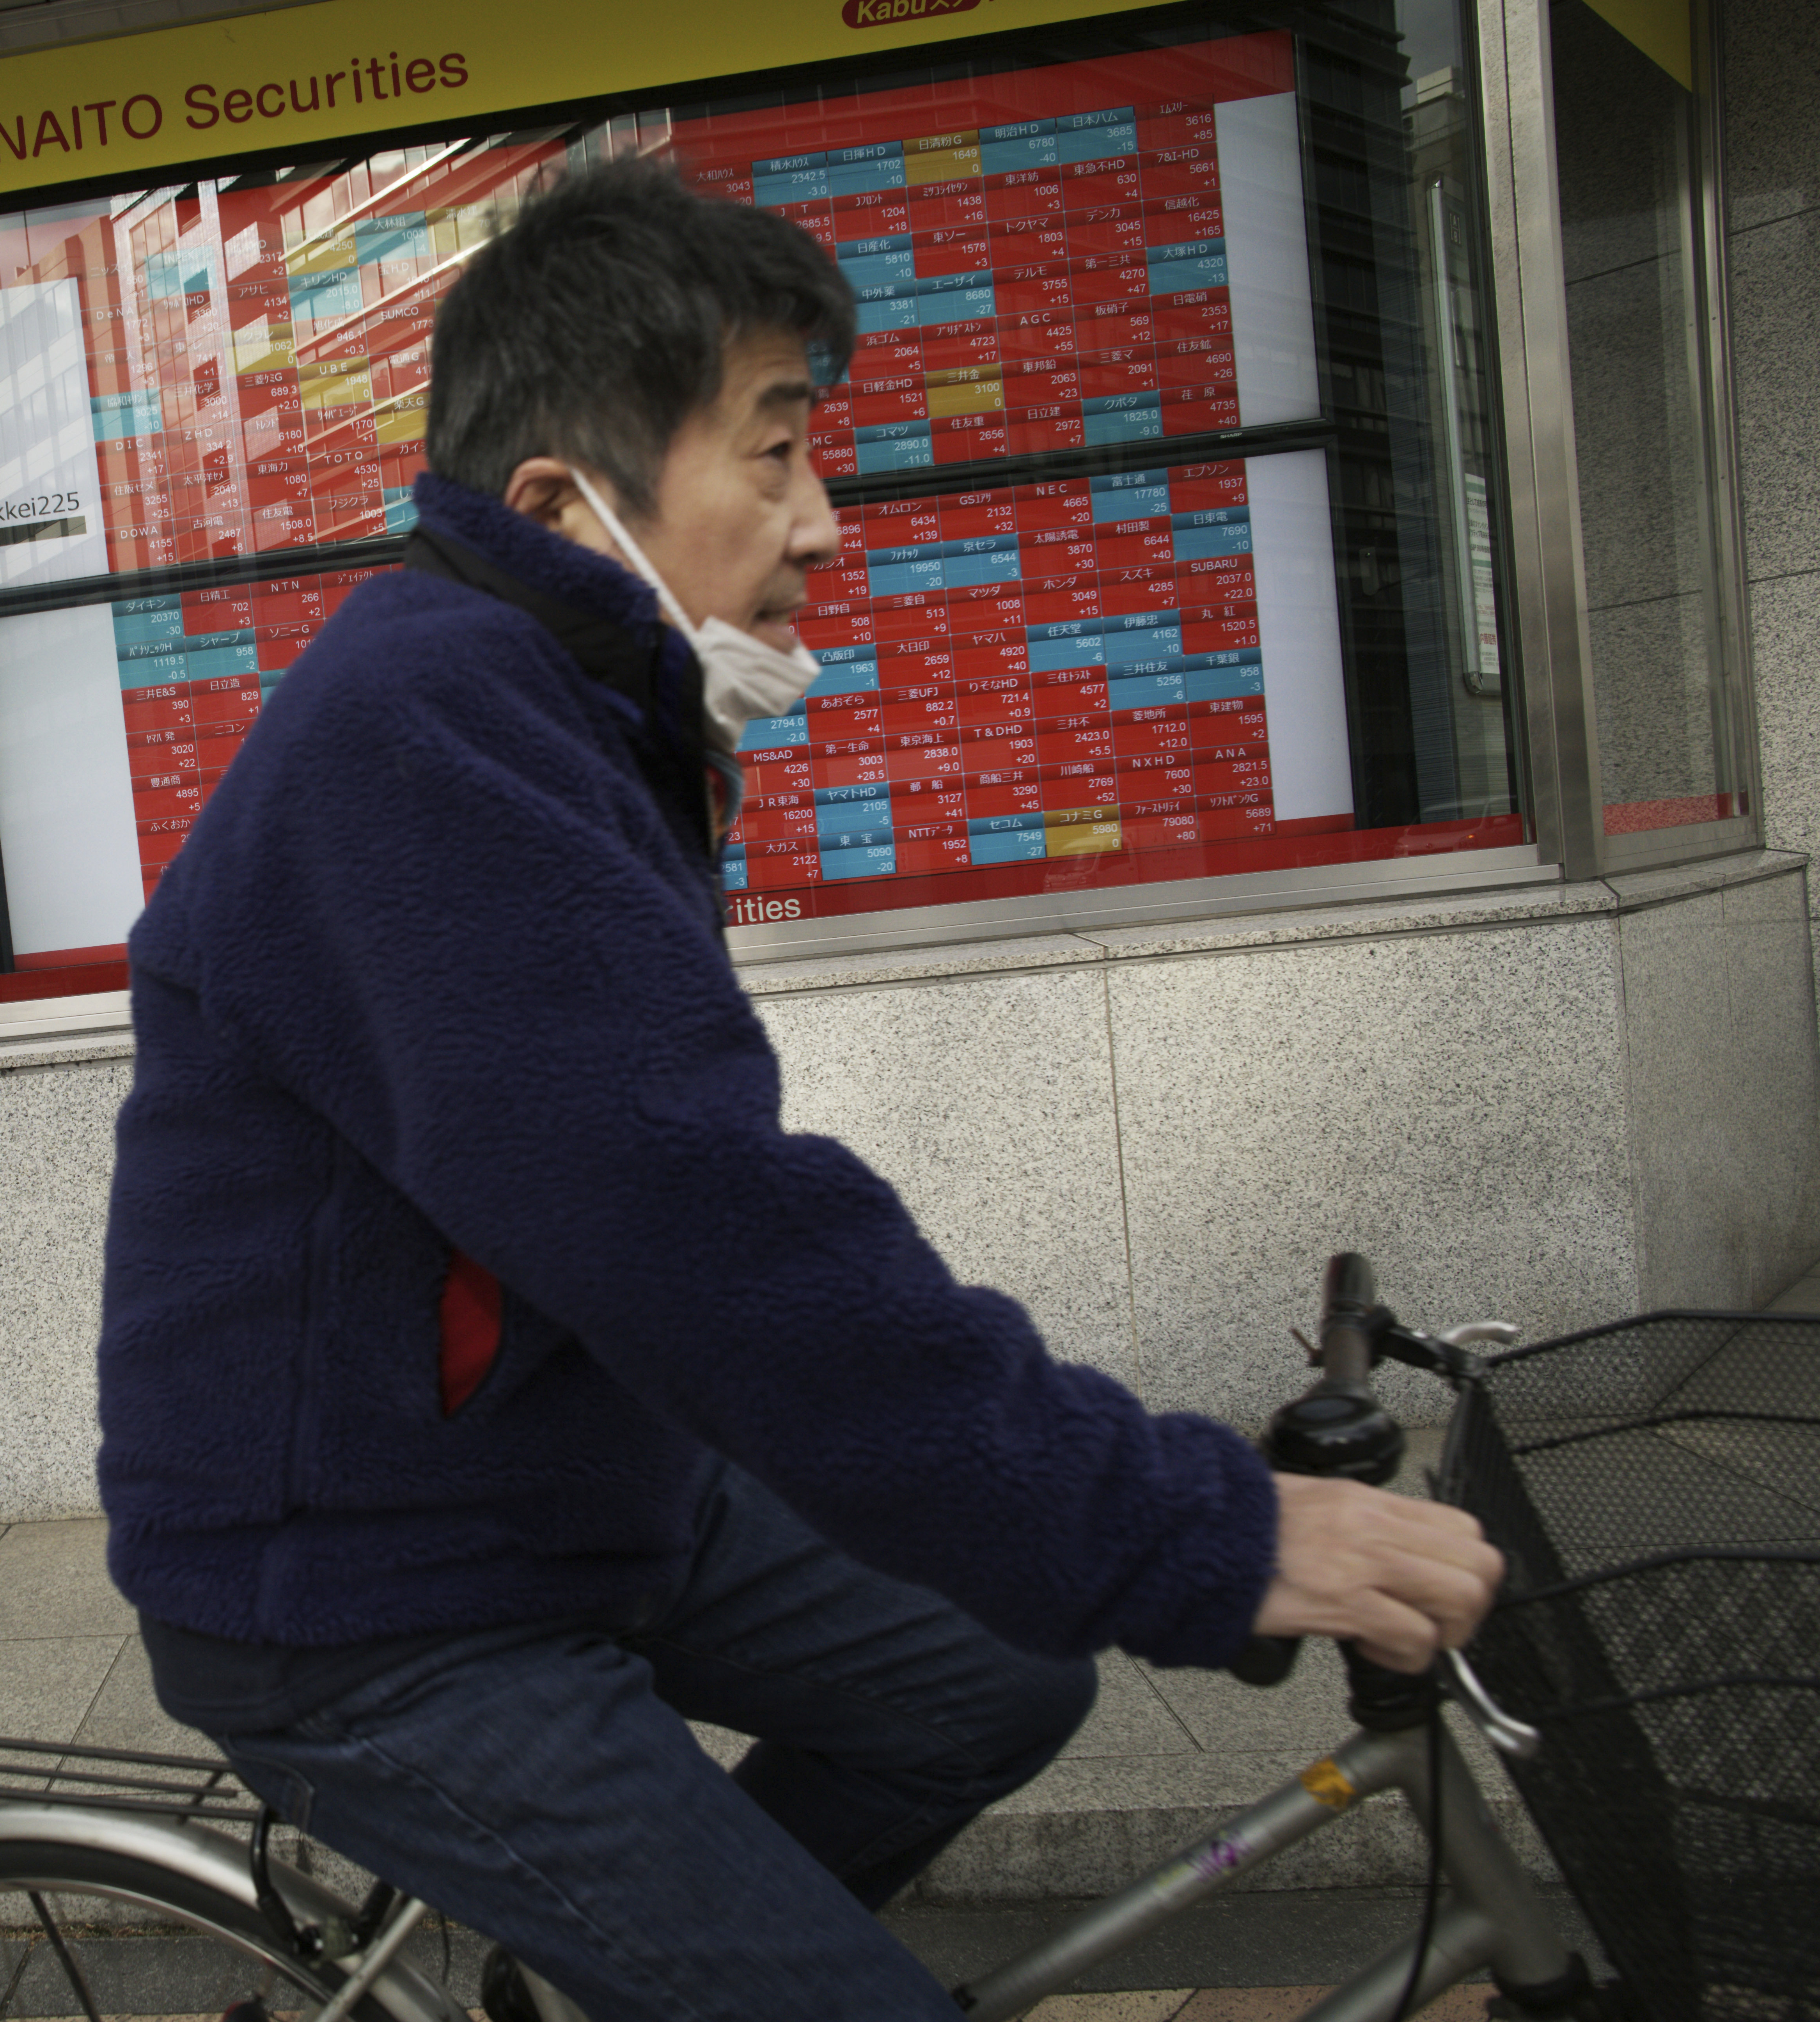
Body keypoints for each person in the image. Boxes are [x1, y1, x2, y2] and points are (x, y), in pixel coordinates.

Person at [94, 158, 1501, 2019]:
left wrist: (1089, 1524)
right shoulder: (427, 728)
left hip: (570, 1491)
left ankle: (589, 1984)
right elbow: (703, 1230)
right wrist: (1190, 1530)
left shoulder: (567, 703)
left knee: (997, 1676)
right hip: (372, 1585)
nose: (822, 523)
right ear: (562, 509)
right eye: (771, 456)